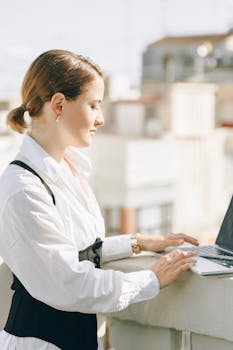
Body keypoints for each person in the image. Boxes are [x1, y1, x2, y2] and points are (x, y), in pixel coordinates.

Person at [0, 49, 198, 350]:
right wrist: (150, 279)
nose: (101, 119)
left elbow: (77, 251)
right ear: (58, 105)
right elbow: (69, 282)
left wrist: (136, 242)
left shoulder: (71, 168)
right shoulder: (24, 189)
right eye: (94, 105)